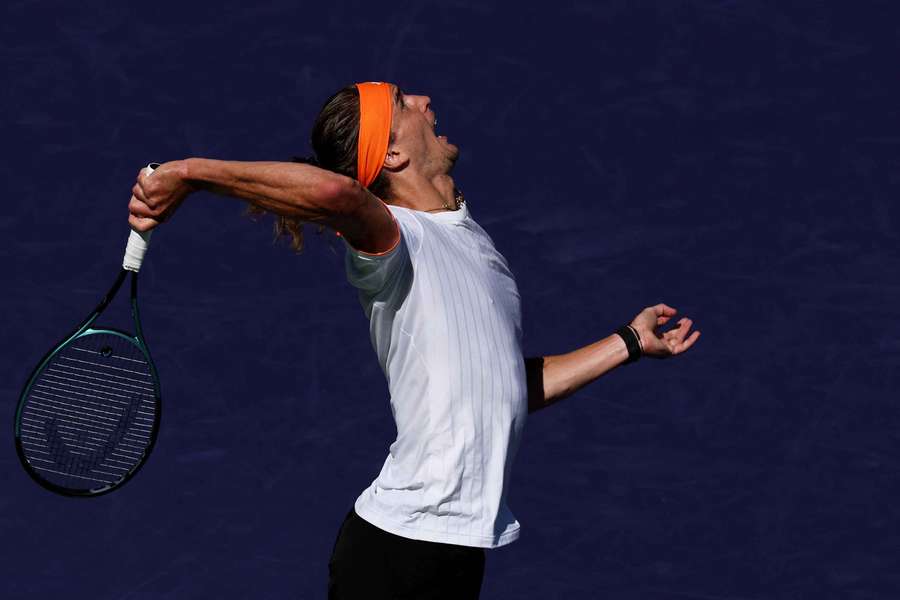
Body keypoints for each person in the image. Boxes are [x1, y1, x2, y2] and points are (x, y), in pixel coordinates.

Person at [127, 81, 701, 599]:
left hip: (456, 550)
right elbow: (341, 198)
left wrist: (627, 341)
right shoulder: (396, 240)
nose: (427, 100)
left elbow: (501, 387)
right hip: (398, 553)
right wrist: (192, 172)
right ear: (394, 154)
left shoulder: (474, 244)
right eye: (404, 103)